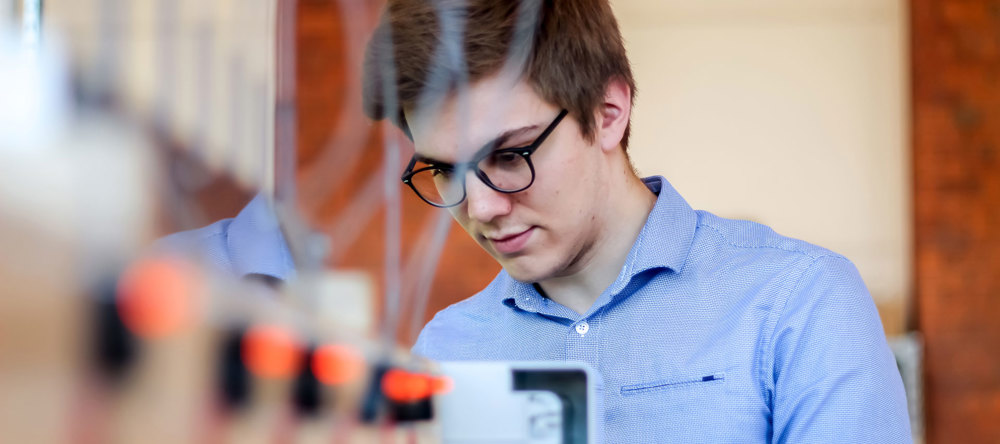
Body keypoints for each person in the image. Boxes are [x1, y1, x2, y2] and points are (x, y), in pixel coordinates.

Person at [361, 0, 912, 442]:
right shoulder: (446, 350)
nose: (480, 208)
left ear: (607, 114)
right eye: (444, 170)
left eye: (511, 155)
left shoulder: (800, 303)